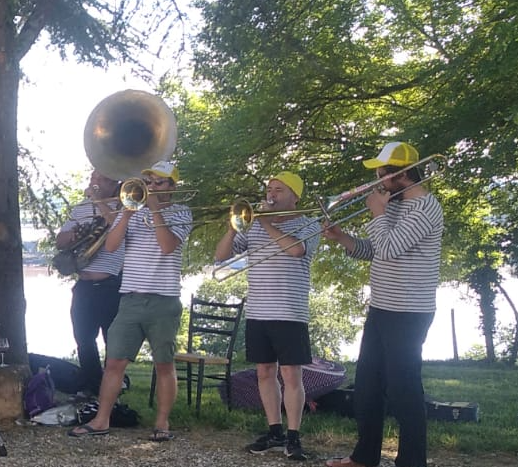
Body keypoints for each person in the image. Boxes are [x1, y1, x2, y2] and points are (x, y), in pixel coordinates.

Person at [322, 142, 442, 467]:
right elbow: (374, 250)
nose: (376, 180)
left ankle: (412, 461)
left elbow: (389, 248)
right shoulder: (395, 206)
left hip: (409, 312)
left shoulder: (426, 208)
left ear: (401, 174)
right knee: (367, 386)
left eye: (381, 174)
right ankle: (364, 456)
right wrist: (342, 237)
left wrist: (377, 212)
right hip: (381, 307)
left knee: (404, 389)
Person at [68, 161, 191, 442]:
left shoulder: (182, 212)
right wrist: (126, 212)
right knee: (114, 363)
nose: (152, 187)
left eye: (159, 182)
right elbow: (112, 246)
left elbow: (167, 245)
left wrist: (156, 209)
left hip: (163, 299)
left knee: (163, 364)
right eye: (149, 181)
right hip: (130, 297)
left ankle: (162, 423)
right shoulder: (133, 212)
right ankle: (101, 420)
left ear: (172, 186)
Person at [213, 172, 320, 460]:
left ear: (295, 196)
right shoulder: (253, 227)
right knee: (264, 372)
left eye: (279, 190)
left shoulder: (309, 224)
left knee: (291, 376)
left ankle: (294, 436)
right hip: (259, 312)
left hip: (290, 312)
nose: (271, 195)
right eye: (269, 189)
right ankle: (275, 431)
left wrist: (265, 222)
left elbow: (296, 250)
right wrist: (234, 227)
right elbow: (221, 257)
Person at [55, 170, 125, 398]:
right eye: (92, 178)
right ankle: (93, 386)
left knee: (112, 341)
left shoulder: (126, 206)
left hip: (111, 284)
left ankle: (114, 385)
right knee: (83, 338)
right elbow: (60, 240)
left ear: (114, 183)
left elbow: (118, 229)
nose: (93, 183)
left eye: (100, 179)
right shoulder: (81, 208)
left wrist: (99, 203)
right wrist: (75, 235)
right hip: (84, 285)